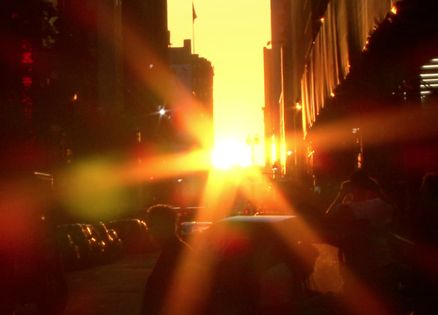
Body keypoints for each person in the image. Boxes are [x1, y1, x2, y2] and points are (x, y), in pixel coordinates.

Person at [324, 169, 399, 314]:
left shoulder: (356, 207)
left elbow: (329, 216)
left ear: (354, 187)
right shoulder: (377, 205)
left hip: (361, 265)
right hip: (373, 263)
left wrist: (340, 194)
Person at [140, 204, 193, 315]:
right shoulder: (177, 251)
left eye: (151, 225)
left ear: (163, 226)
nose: (149, 230)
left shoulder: (174, 255)